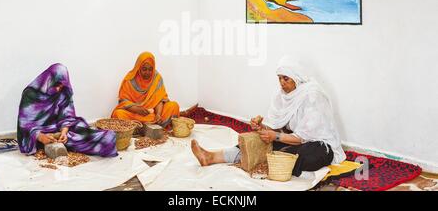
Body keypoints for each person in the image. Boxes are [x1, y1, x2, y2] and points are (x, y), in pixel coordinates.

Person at [191, 56, 346, 177]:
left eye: (286, 78)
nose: (281, 83)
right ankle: (211, 157)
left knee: (306, 154)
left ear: (297, 78)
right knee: (256, 141)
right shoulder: (281, 95)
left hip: (317, 145)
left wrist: (276, 137)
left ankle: (263, 162)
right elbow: (276, 127)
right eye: (279, 78)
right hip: (291, 140)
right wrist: (261, 128)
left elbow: (304, 137)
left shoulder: (313, 96)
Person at [17, 63, 118, 157]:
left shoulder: (63, 91)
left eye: (61, 86)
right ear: (49, 79)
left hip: (58, 130)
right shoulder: (30, 93)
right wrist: (40, 137)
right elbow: (24, 125)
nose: (58, 89)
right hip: (38, 134)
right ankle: (59, 144)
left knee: (81, 128)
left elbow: (67, 116)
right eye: (56, 85)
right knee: (72, 140)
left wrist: (64, 132)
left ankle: (102, 139)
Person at [111, 52, 197, 128]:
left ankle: (150, 126)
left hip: (153, 114)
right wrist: (136, 109)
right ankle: (142, 127)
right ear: (138, 67)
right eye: (144, 69)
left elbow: (159, 99)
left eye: (150, 69)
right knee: (118, 114)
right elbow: (123, 101)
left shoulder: (156, 78)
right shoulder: (130, 79)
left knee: (174, 106)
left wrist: (158, 114)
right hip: (135, 113)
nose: (147, 73)